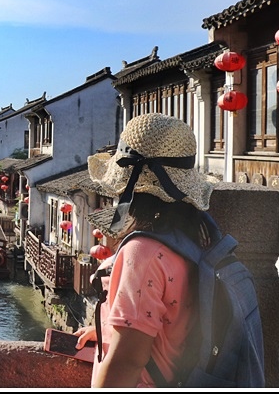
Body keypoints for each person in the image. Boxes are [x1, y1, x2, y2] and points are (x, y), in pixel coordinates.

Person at [73, 113, 217, 388]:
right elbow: (162, 325)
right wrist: (111, 330)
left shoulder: (142, 253)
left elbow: (128, 360)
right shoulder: (193, 238)